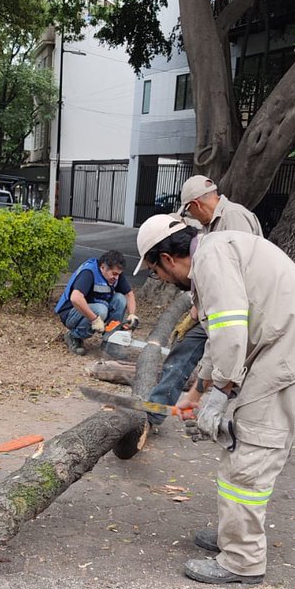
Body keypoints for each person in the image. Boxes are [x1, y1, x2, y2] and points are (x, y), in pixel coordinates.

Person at [134, 214, 295, 585]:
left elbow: (233, 335)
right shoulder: (215, 252)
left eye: (156, 272)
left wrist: (220, 395)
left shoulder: (211, 262)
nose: (161, 280)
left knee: (251, 452)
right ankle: (231, 538)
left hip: (290, 356)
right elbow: (219, 336)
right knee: (243, 450)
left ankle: (242, 560)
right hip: (284, 351)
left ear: (168, 260)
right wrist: (196, 394)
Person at [143, 180, 262, 422]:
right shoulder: (209, 228)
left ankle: (156, 412)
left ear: (195, 204)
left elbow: (232, 279)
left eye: (188, 212)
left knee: (206, 349)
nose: (189, 217)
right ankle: (157, 410)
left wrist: (216, 396)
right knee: (188, 348)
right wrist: (196, 311)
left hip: (237, 309)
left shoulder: (235, 218)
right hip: (223, 305)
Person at [55, 249, 138, 356]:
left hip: (95, 308)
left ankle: (110, 340)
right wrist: (95, 319)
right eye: (114, 274)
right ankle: (75, 336)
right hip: (70, 314)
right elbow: (75, 298)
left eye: (118, 274)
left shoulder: (115, 275)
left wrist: (132, 315)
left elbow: (129, 295)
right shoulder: (89, 273)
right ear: (103, 267)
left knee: (120, 299)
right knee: (101, 310)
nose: (116, 277)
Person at [179, 175, 263, 236]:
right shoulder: (211, 221)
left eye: (188, 210)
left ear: (196, 204)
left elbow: (241, 256)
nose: (191, 215)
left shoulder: (233, 215)